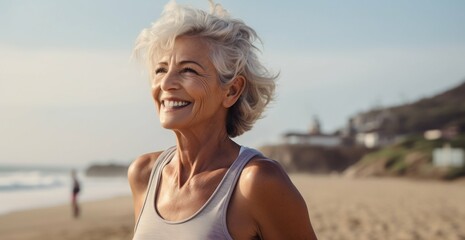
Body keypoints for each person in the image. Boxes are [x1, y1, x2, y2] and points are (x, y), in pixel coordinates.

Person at [128, 1, 318, 239]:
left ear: (231, 91)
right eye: (160, 70)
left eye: (188, 70)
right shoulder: (143, 174)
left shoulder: (256, 182)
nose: (166, 84)